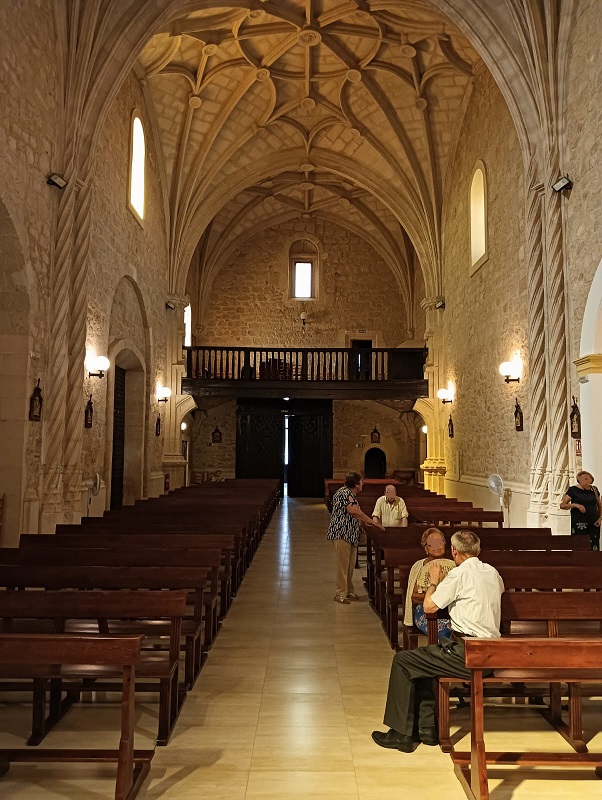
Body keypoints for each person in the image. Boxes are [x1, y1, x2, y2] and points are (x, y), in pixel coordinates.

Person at [372, 530, 504, 752]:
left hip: (467, 653)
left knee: (403, 661)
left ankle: (401, 734)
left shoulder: (459, 575)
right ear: (478, 550)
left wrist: (434, 582)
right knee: (424, 662)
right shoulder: (493, 572)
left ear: (454, 551)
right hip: (492, 653)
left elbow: (429, 606)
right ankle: (426, 730)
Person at [327, 472, 385, 604]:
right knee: (343, 565)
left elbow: (356, 514)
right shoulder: (344, 493)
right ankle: (340, 593)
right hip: (341, 533)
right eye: (361, 482)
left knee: (350, 565)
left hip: (350, 534)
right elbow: (354, 511)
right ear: (356, 484)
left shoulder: (351, 494)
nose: (363, 483)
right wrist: (373, 522)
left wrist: (364, 524)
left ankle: (348, 591)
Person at [403, 528, 454, 640]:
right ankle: (442, 653)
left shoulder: (452, 565)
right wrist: (435, 596)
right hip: (424, 611)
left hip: (449, 610)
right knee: (446, 632)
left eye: (440, 542)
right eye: (432, 543)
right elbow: (414, 597)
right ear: (426, 548)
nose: (437, 546)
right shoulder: (419, 566)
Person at [560, 470, 602, 550]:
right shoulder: (573, 490)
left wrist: (600, 518)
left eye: (586, 479)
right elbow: (563, 505)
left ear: (591, 480)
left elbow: (599, 505)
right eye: (582, 479)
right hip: (579, 522)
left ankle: (593, 561)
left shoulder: (594, 490)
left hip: (593, 522)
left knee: (594, 544)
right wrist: (575, 505)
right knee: (579, 544)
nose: (585, 481)